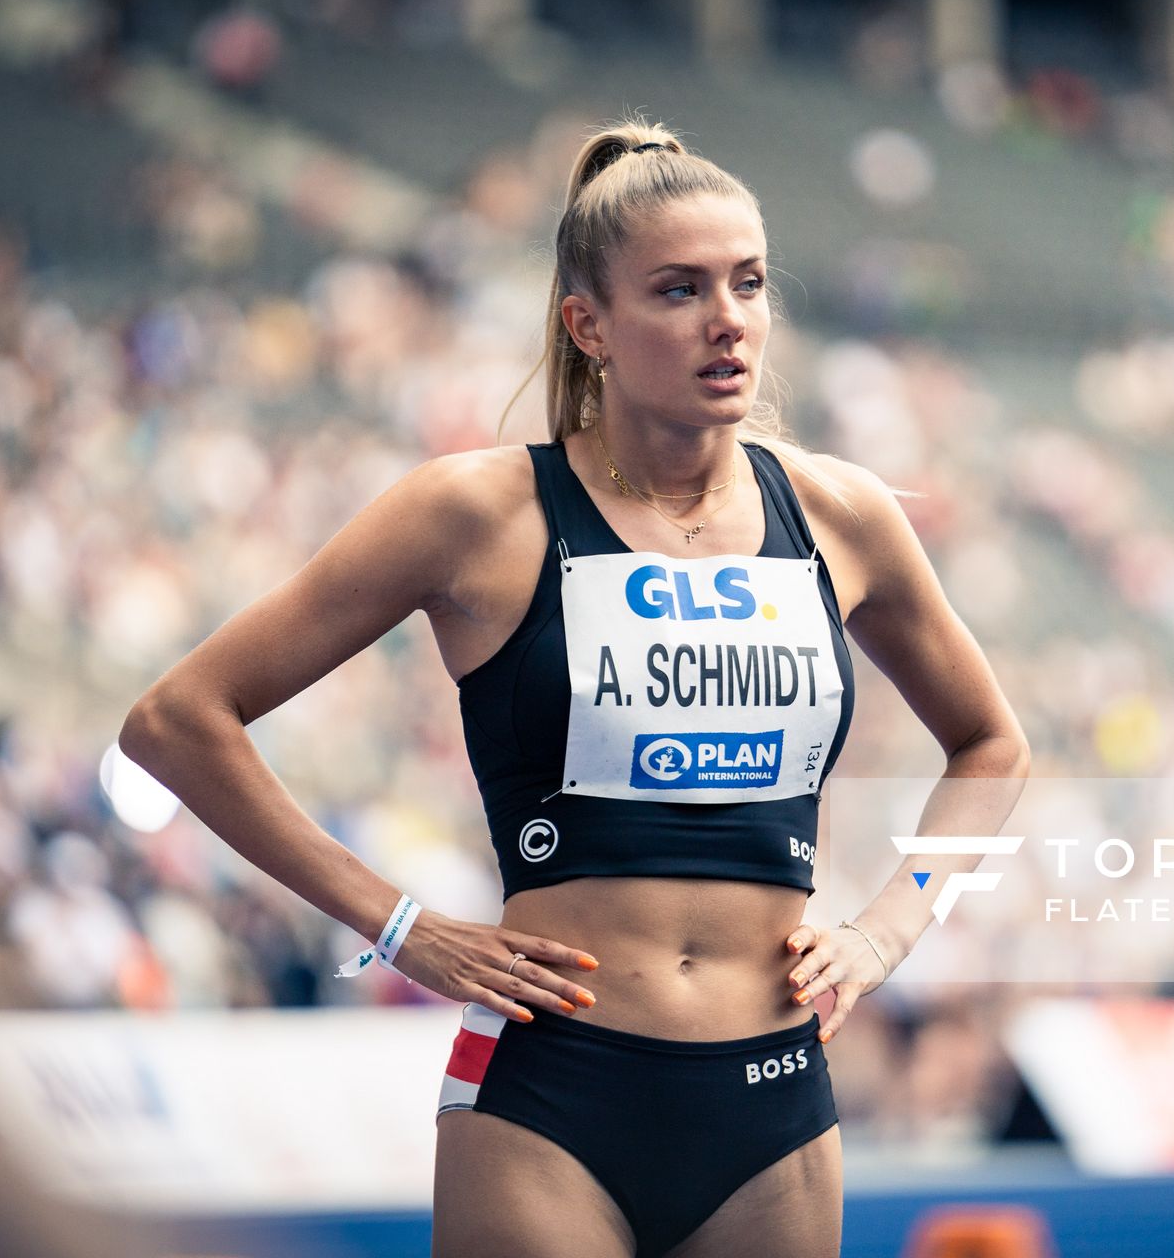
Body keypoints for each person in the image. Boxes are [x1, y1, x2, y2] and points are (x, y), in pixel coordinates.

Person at [118, 119, 1029, 1258]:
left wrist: (888, 934)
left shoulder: (840, 513)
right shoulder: (476, 512)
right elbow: (177, 719)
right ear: (587, 323)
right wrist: (397, 922)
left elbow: (992, 745)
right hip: (551, 1099)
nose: (728, 318)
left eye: (748, 282)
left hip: (774, 1102)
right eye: (679, 288)